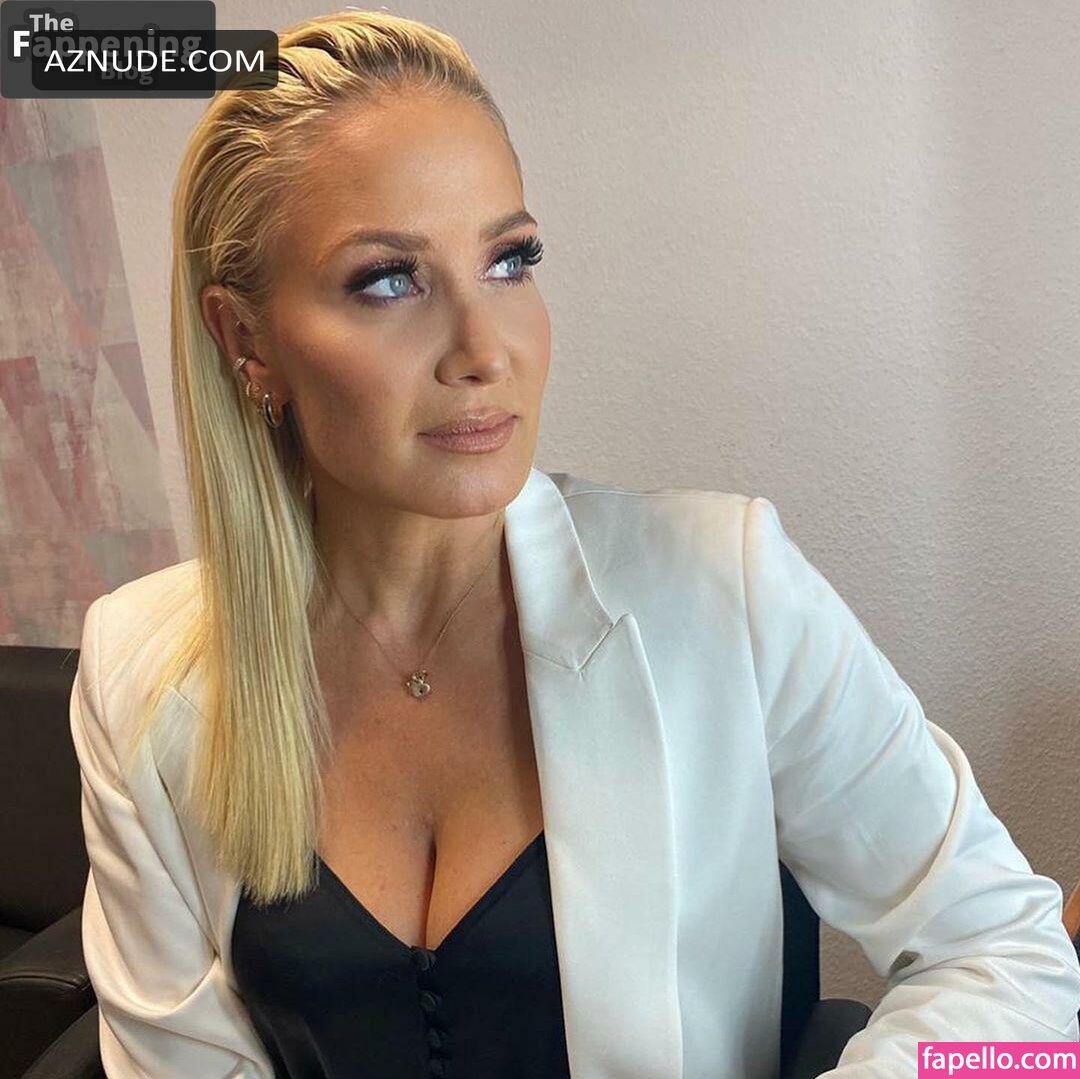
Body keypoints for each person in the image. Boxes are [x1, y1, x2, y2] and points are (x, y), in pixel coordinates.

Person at [69, 9, 1080, 1078]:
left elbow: (1012, 952)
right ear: (246, 339)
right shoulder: (140, 671)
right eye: (389, 279)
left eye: (510, 260)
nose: (483, 349)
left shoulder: (724, 587)